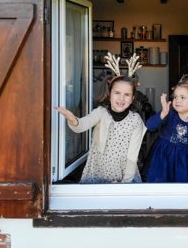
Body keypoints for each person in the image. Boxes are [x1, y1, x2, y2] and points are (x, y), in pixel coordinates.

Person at [54, 53, 146, 184]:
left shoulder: (136, 121)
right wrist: (73, 119)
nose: (121, 98)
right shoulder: (100, 113)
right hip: (97, 170)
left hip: (124, 174)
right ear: (109, 95)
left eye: (127, 95)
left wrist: (125, 183)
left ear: (132, 99)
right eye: (117, 93)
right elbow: (81, 125)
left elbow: (132, 157)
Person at [143, 59, 188, 190]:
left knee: (179, 189)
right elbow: (149, 126)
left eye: (183, 97)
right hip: (161, 159)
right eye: (175, 97)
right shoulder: (170, 114)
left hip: (182, 164)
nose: (177, 100)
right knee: (158, 188)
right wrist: (162, 114)